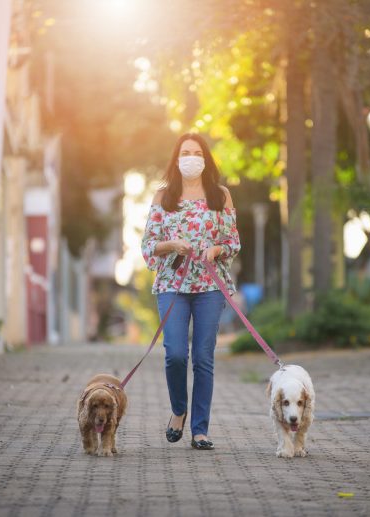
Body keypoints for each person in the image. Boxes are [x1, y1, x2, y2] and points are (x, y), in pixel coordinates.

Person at [141, 133, 241, 450]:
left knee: (202, 357)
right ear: (176, 158)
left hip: (210, 285)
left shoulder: (220, 195)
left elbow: (233, 243)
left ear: (206, 158)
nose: (191, 157)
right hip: (173, 284)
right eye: (185, 152)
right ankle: (178, 410)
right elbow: (148, 246)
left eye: (197, 152)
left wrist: (216, 250)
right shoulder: (162, 196)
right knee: (174, 354)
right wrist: (172, 245)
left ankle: (200, 429)